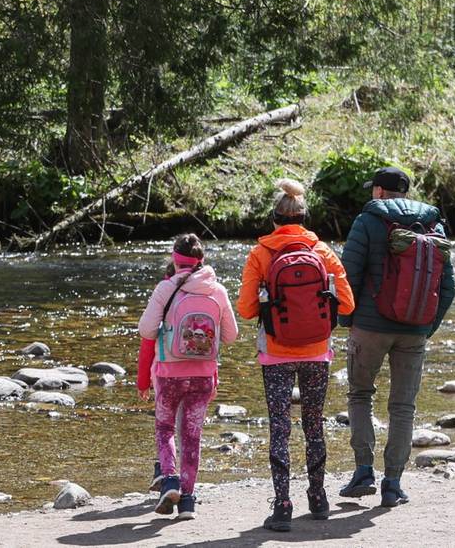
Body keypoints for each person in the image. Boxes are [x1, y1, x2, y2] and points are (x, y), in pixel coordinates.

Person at [237, 179, 355, 532]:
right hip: (318, 352)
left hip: (275, 352)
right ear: (305, 219)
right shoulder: (324, 252)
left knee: (280, 427)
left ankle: (283, 505)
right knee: (314, 425)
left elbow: (244, 310)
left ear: (274, 219)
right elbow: (348, 304)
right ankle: (318, 498)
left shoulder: (260, 254)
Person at [339, 166, 455, 507]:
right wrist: (425, 327)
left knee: (360, 395)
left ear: (378, 192)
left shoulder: (367, 221)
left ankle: (363, 471)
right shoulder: (434, 225)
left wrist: (348, 319)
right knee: (403, 406)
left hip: (370, 327)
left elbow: (348, 276)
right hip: (414, 331)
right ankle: (393, 483)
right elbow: (448, 287)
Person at [137, 233, 239, 519]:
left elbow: (146, 330)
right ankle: (188, 503)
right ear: (201, 260)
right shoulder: (216, 290)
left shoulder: (165, 288)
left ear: (174, 258)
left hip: (170, 373)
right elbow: (231, 336)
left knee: (165, 428)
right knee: (192, 436)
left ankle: (169, 479)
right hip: (204, 376)